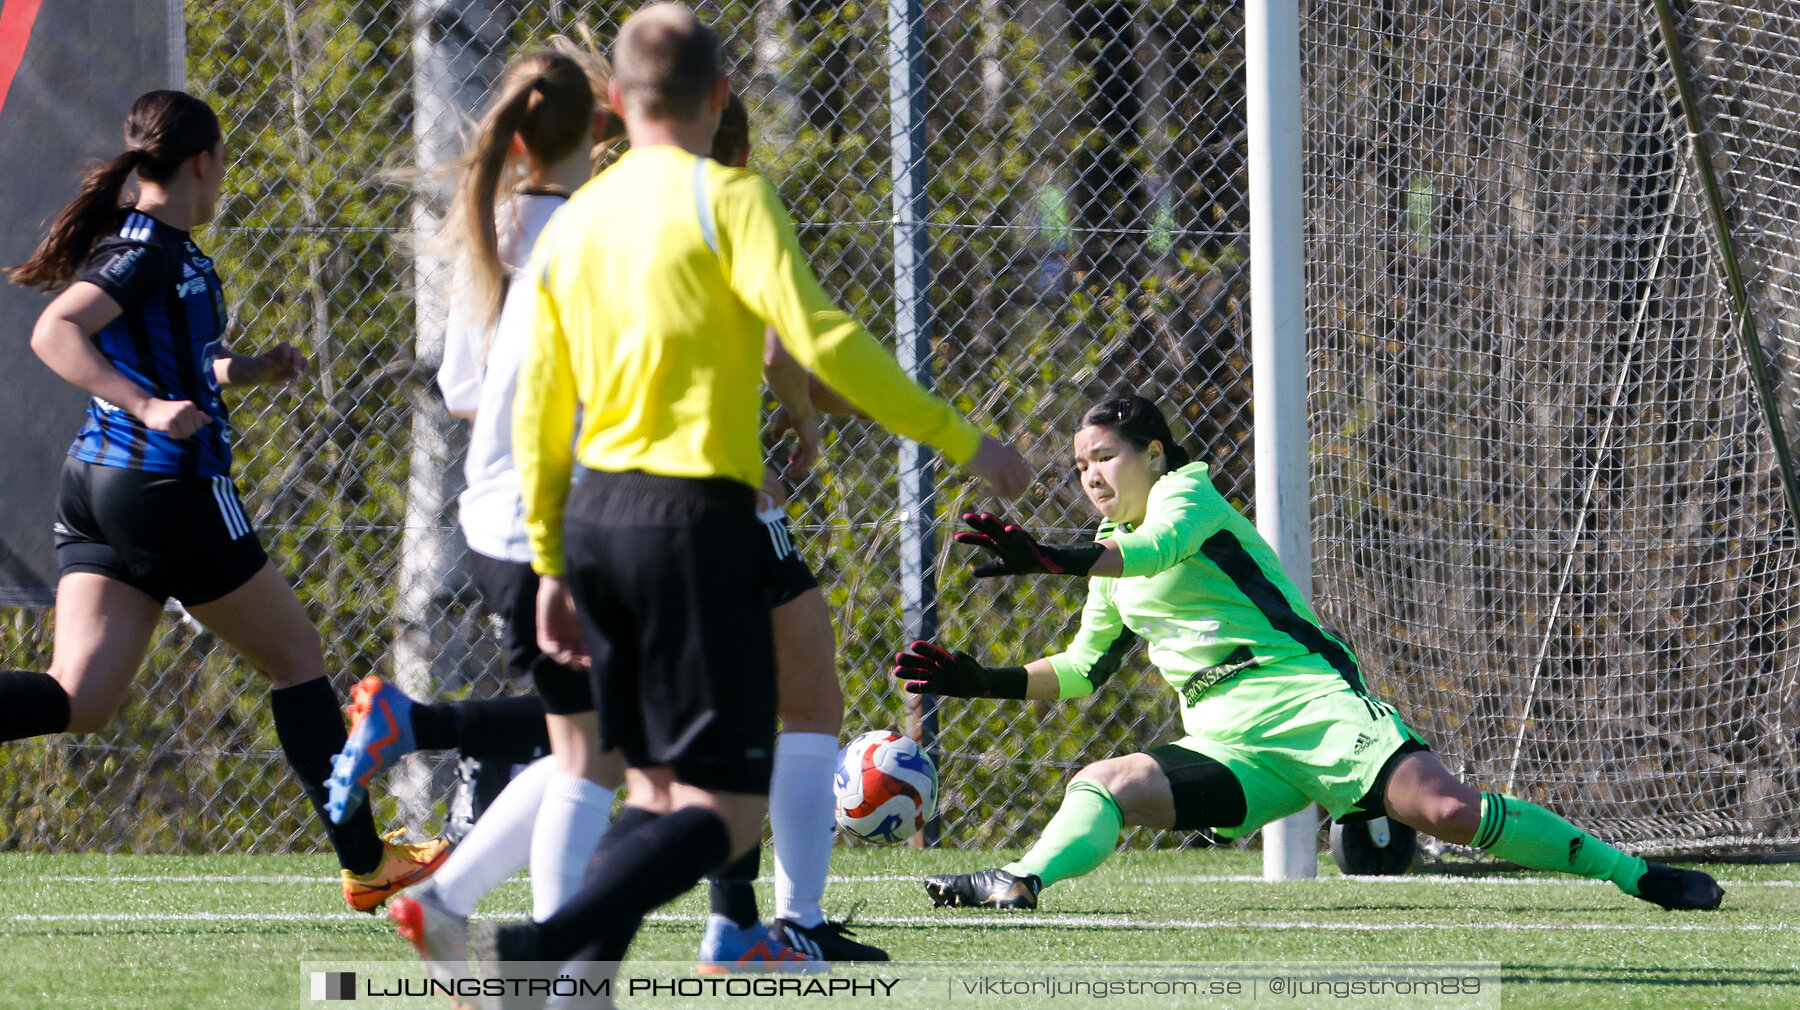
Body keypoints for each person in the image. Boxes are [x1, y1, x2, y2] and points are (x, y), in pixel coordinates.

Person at [484, 1, 1029, 984]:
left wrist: (552, 561)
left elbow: (539, 409)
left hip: (594, 522)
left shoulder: (575, 220)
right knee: (722, 807)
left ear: (615, 102)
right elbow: (821, 341)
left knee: (651, 792)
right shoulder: (729, 201)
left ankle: (562, 990)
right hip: (689, 520)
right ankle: (533, 947)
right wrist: (965, 439)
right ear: (722, 95)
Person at [897, 393, 1725, 913]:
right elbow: (1081, 668)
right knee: (1101, 782)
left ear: (1153, 454)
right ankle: (1017, 882)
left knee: (1446, 813)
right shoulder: (1107, 552)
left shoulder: (1189, 496)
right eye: (1079, 465)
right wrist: (980, 681)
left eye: (1105, 457)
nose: (1091, 476)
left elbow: (1152, 554)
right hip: (1226, 738)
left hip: (1306, 697)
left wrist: (1050, 555)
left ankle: (1633, 874)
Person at [1, 89, 448, 912]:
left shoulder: (167, 251)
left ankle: (367, 857)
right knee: (297, 662)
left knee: (80, 699)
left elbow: (178, 363)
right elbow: (54, 331)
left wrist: (248, 369)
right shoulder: (146, 252)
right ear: (203, 163)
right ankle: (366, 860)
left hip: (101, 489)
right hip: (166, 486)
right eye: (223, 166)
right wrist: (147, 409)